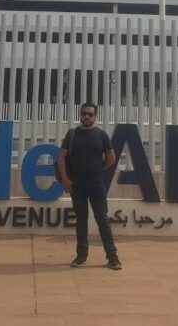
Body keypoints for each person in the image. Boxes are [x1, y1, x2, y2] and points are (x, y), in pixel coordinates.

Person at [57, 102, 122, 270]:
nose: (87, 117)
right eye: (84, 113)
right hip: (77, 184)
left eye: (90, 114)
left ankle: (113, 257)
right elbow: (61, 157)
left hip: (96, 183)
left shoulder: (101, 135)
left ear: (95, 116)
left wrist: (98, 170)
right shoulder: (72, 135)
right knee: (81, 220)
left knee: (102, 219)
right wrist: (65, 178)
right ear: (80, 115)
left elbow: (111, 158)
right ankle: (81, 255)